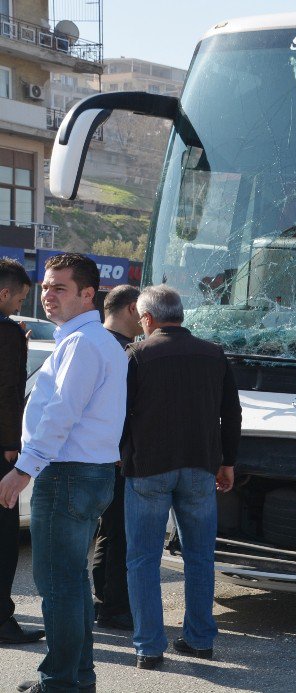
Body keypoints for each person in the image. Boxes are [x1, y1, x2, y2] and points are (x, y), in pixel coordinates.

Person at [0, 253, 127, 693]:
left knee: (58, 586)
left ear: (88, 294)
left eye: (60, 288)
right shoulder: (93, 340)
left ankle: (59, 682)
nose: (47, 296)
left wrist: (22, 469)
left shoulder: (84, 343)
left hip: (70, 473)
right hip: (85, 473)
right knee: (69, 584)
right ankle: (76, 678)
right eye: (46, 286)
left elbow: (61, 414)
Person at [123, 284, 241, 670]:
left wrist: (124, 459)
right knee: (200, 557)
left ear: (147, 318)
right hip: (201, 466)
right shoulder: (213, 353)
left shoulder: (138, 354)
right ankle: (200, 640)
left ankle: (149, 648)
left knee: (143, 559)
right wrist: (228, 461)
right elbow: (232, 413)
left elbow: (121, 414)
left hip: (148, 469)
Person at [92, 284, 142, 631]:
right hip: (118, 457)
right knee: (119, 533)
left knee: (108, 533)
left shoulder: (93, 342)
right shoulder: (123, 351)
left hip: (100, 455)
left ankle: (103, 603)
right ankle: (114, 609)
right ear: (132, 308)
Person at [0, 258, 44, 646]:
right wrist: (14, 445)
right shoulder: (9, 333)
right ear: (4, 292)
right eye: (19, 298)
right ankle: (1, 621)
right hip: (0, 447)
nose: (19, 307)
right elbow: (11, 392)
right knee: (3, 539)